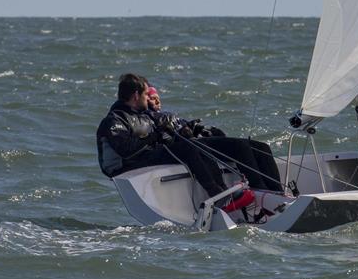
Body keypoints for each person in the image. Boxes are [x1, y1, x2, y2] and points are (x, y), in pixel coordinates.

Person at [96, 73, 253, 211]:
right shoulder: (114, 120)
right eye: (145, 94)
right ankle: (217, 195)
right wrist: (157, 135)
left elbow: (160, 135)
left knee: (196, 143)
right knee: (187, 148)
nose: (148, 98)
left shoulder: (143, 115)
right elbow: (127, 150)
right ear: (136, 95)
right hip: (126, 166)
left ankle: (224, 191)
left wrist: (186, 130)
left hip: (145, 156)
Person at [145, 87, 283, 192]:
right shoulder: (150, 119)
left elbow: (187, 126)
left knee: (262, 147)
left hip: (201, 143)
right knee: (240, 146)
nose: (157, 100)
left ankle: (277, 192)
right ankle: (260, 190)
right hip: (191, 149)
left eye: (158, 97)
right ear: (144, 101)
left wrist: (201, 129)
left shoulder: (169, 115)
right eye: (152, 98)